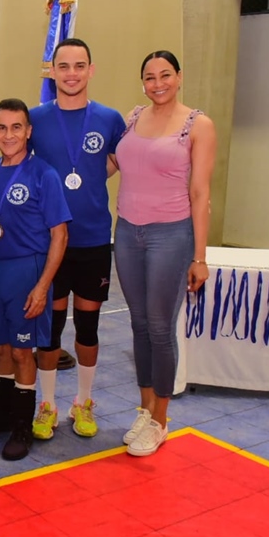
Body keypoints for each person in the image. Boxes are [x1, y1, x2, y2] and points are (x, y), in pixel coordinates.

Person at [111, 50, 216, 457]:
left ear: (179, 77)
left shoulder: (197, 124)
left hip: (171, 235)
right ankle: (145, 407)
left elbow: (200, 192)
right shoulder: (135, 117)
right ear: (142, 82)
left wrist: (200, 256)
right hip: (128, 231)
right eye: (150, 77)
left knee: (159, 327)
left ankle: (161, 420)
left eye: (165, 75)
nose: (158, 83)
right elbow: (114, 164)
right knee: (138, 325)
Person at [28, 38, 126, 440]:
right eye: (63, 66)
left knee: (88, 327)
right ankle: (47, 404)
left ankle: (83, 401)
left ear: (91, 69)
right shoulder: (36, 118)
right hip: (51, 242)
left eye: (79, 66)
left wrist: (87, 182)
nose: (71, 74)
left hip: (93, 239)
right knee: (49, 329)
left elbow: (120, 157)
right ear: (51, 71)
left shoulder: (109, 118)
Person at [0, 99, 70, 460]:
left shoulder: (44, 174)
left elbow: (60, 235)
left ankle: (22, 425)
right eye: (1, 127)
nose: (8, 134)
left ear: (28, 132)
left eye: (17, 127)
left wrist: (43, 286)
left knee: (21, 350)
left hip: (28, 271)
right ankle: (2, 414)